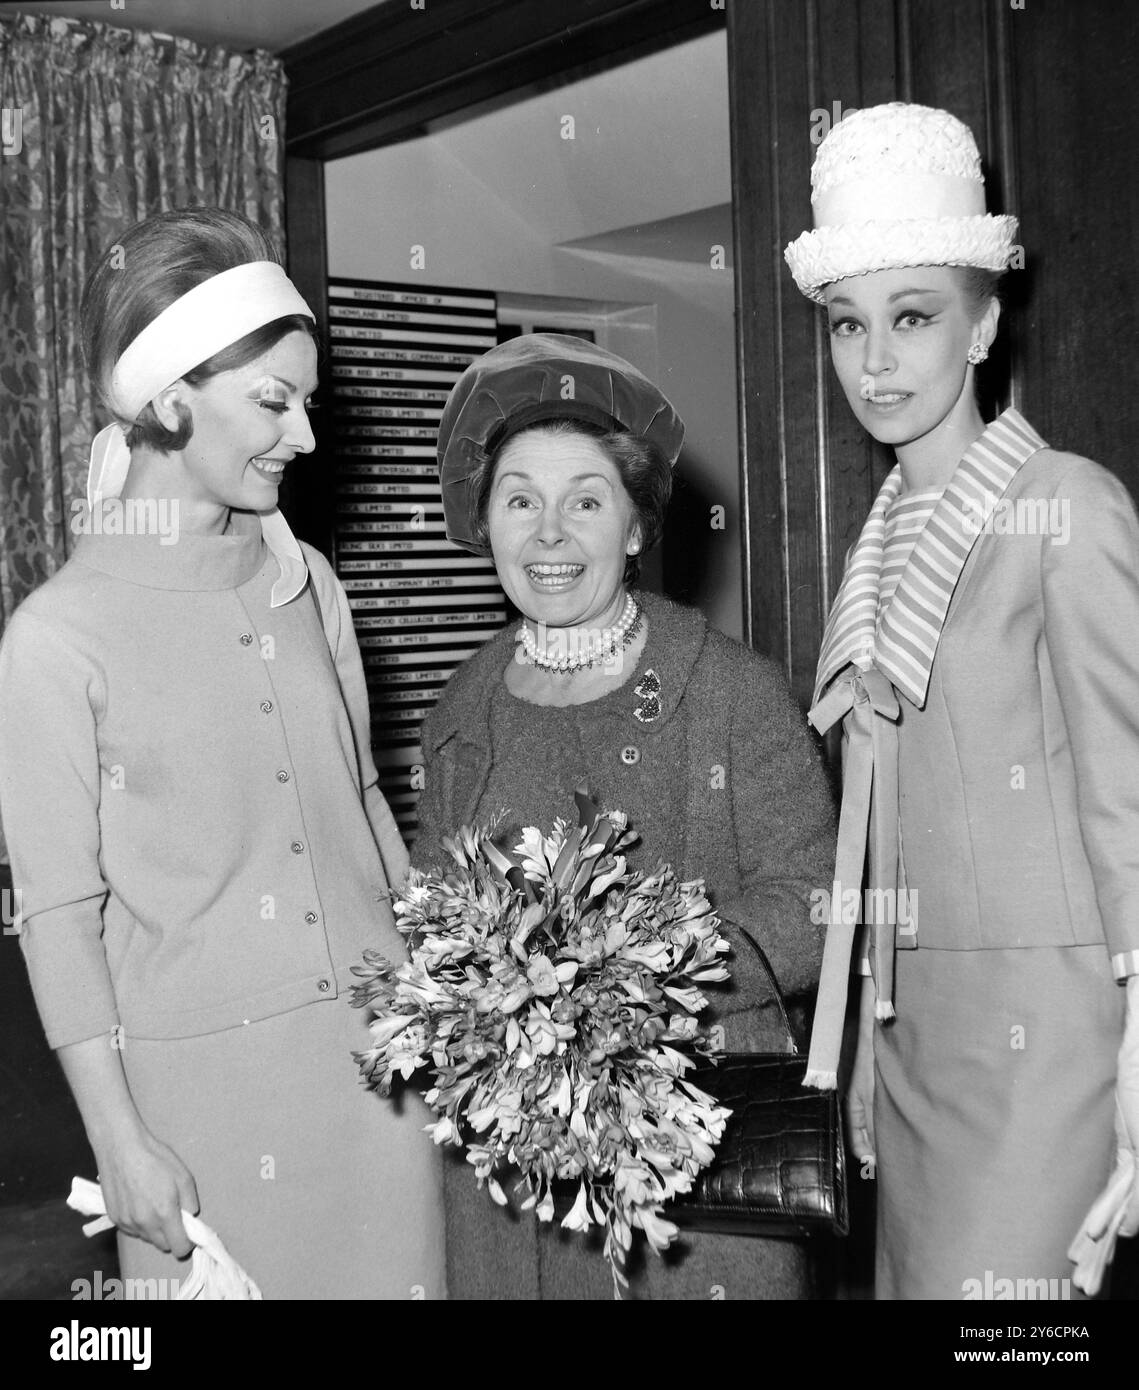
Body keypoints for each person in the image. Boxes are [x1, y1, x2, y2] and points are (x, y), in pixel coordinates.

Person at [0, 208, 444, 1299]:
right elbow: (58, 919)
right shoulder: (55, 639)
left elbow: (365, 801)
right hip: (190, 1117)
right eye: (272, 403)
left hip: (377, 1083)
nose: (303, 435)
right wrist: (119, 1143)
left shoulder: (309, 584)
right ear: (167, 400)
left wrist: (445, 993)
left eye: (309, 404)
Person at [785, 102, 1139, 1299]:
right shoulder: (874, 544)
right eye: (846, 326)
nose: (873, 362)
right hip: (912, 1029)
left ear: (983, 325)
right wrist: (869, 1037)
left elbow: (1127, 809)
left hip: (1052, 1030)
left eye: (913, 318)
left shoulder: (1065, 507)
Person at [414, 333, 835, 1299]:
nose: (549, 535)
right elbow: (433, 909)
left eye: (586, 501)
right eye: (520, 500)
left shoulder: (728, 691)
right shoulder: (461, 708)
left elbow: (815, 900)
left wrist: (634, 979)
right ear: (486, 524)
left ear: (637, 529)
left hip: (701, 1166)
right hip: (510, 1175)